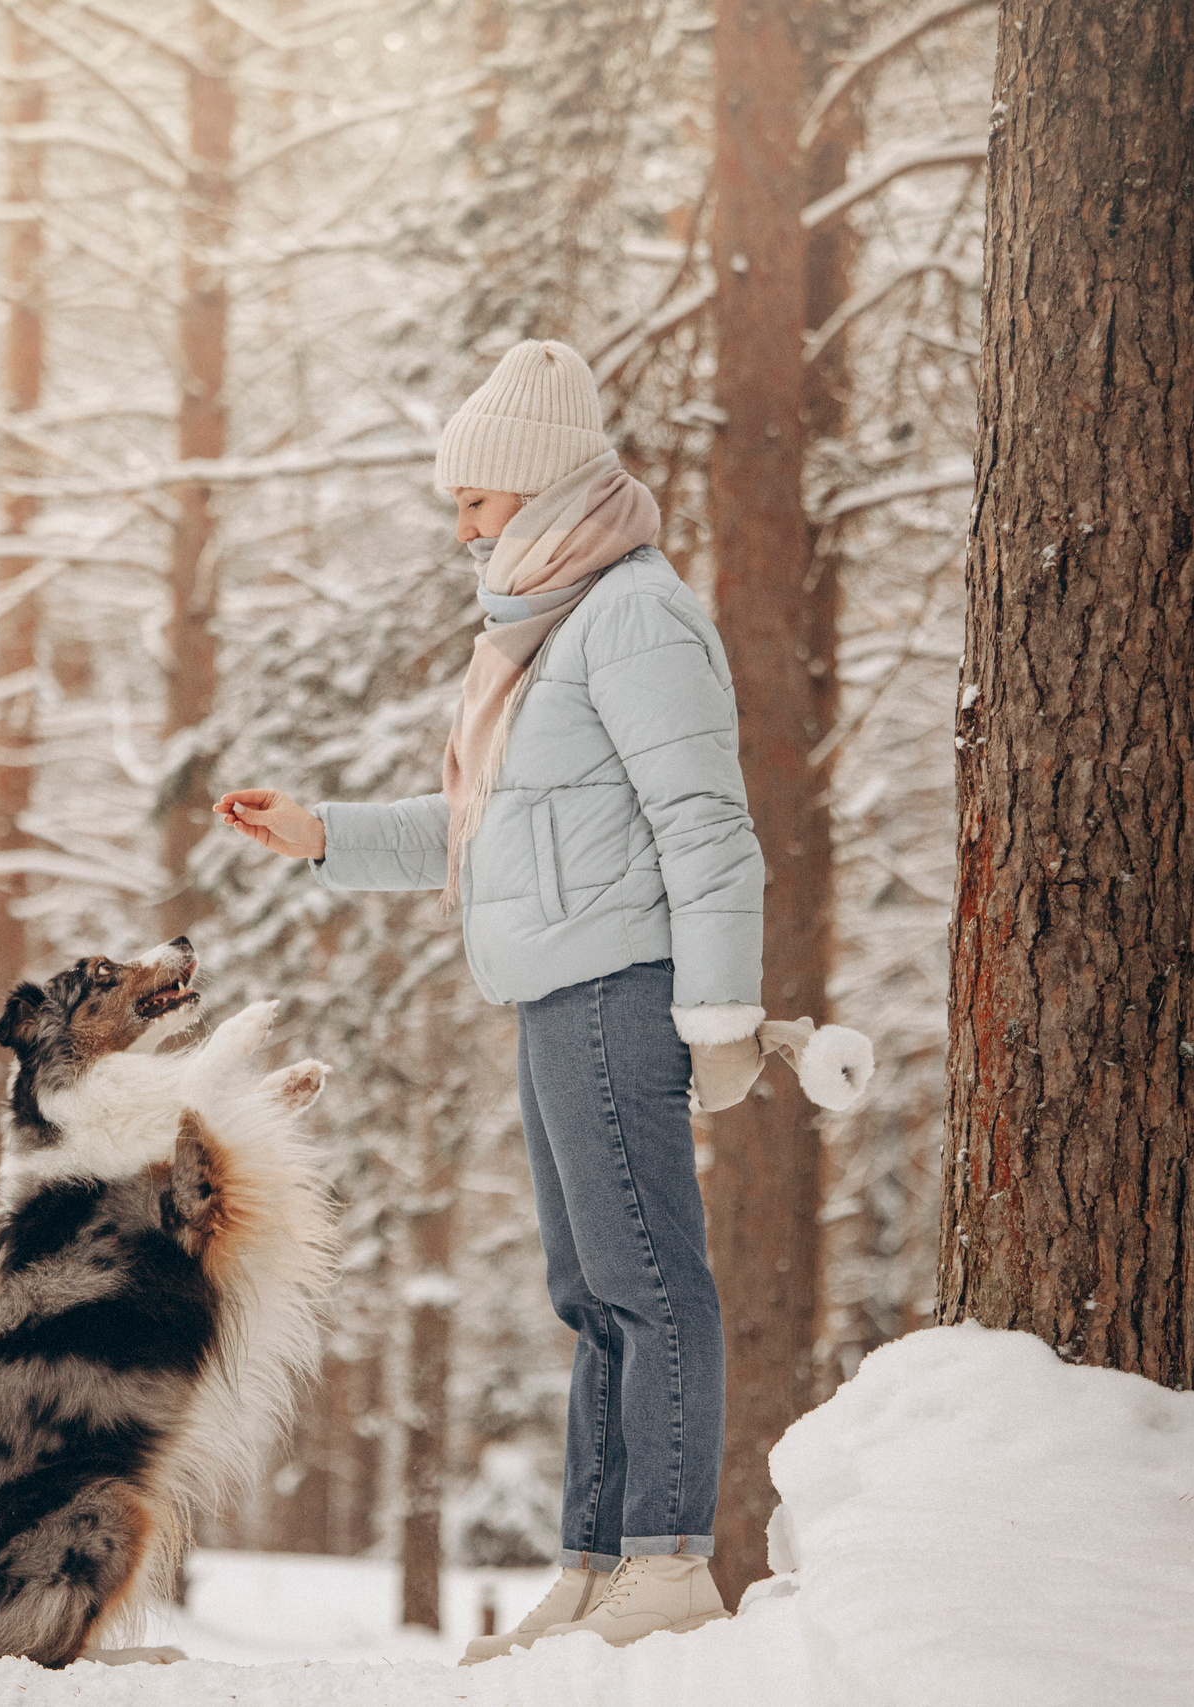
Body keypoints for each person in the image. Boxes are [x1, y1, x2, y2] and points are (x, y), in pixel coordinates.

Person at [215, 338, 766, 1659]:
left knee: (647, 1279)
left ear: (539, 489)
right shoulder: (548, 628)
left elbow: (708, 826)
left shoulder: (633, 613)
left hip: (621, 987)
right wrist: (327, 836)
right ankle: (595, 1568)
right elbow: (493, 829)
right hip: (552, 995)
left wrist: (725, 1017)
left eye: (475, 501)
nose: (460, 526)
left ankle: (670, 1561)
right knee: (590, 1290)